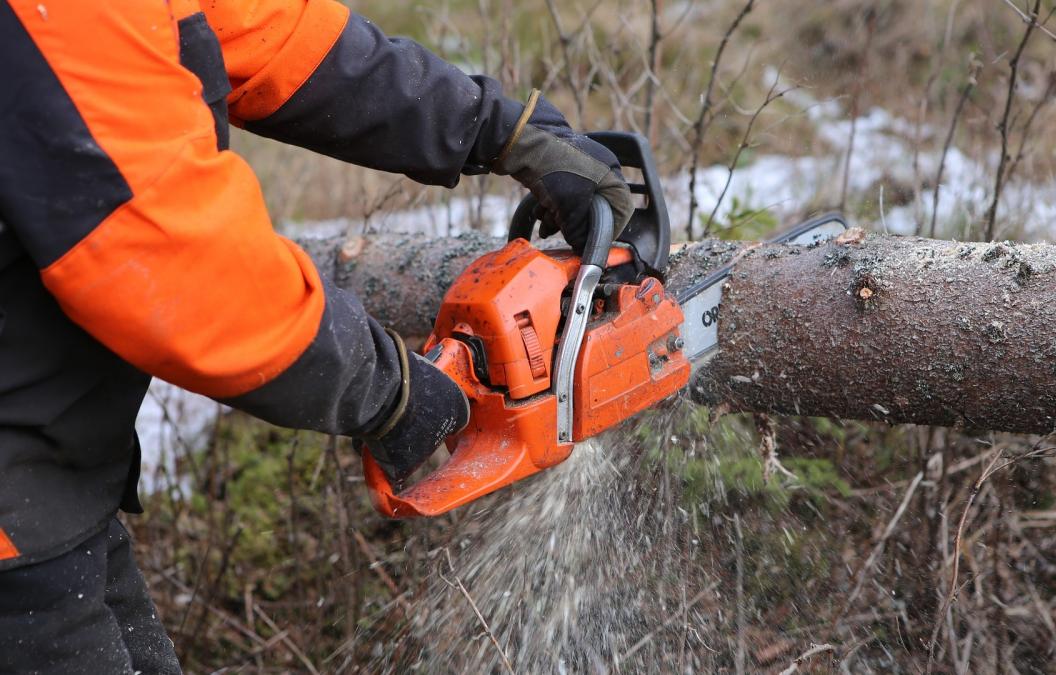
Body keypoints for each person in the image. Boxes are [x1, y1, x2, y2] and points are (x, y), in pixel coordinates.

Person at [0, 0, 633, 671]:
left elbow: (270, 34)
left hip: (50, 492)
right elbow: (170, 262)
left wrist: (492, 127)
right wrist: (384, 389)